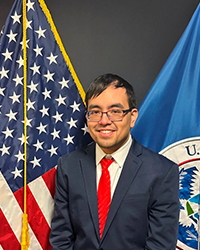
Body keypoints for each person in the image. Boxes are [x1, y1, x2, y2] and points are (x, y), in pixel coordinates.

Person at [50, 73, 179, 250]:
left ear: (132, 117)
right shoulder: (68, 166)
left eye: (115, 112)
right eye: (95, 112)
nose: (104, 121)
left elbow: (160, 245)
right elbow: (60, 239)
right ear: (87, 117)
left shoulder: (162, 172)